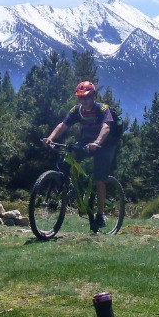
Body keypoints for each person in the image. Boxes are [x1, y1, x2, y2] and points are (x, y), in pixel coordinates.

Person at [42, 81, 117, 229]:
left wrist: (97, 142)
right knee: (71, 154)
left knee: (99, 179)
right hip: (87, 140)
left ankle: (100, 215)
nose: (84, 101)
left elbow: (106, 127)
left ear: (93, 96)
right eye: (81, 98)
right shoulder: (77, 110)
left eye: (87, 97)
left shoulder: (102, 109)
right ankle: (68, 182)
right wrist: (50, 138)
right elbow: (62, 125)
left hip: (105, 143)